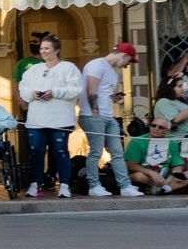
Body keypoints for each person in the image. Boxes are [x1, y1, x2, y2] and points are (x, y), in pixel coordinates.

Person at [18, 34, 82, 198]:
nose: (44, 51)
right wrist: (33, 94)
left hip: (60, 119)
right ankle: (35, 183)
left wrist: (55, 92)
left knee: (60, 150)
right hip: (37, 120)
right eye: (42, 48)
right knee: (36, 151)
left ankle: (65, 184)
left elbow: (76, 89)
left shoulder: (68, 67)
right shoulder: (34, 69)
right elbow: (23, 90)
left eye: (47, 48)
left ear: (57, 50)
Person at [79, 44, 144, 197]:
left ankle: (125, 186)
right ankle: (94, 185)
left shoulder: (113, 71)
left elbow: (101, 92)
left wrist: (113, 98)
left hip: (107, 115)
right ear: (124, 55)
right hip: (93, 115)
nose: (128, 65)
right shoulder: (96, 65)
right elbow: (91, 90)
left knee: (117, 151)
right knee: (96, 151)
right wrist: (95, 111)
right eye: (129, 61)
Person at [124, 117, 188, 194]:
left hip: (166, 177)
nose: (156, 128)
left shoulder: (172, 143)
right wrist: (152, 174)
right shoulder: (137, 141)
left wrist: (176, 172)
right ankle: (165, 187)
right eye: (153, 125)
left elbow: (177, 164)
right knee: (138, 176)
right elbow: (131, 165)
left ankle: (165, 189)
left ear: (168, 131)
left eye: (161, 127)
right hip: (146, 176)